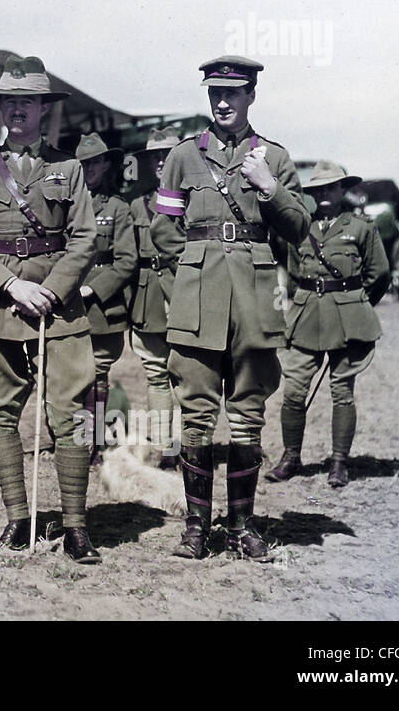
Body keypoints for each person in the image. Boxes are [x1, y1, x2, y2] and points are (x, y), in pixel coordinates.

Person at [151, 56, 310, 560]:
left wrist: (269, 187)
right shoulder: (183, 157)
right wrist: (192, 273)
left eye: (233, 93)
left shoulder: (274, 157)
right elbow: (163, 230)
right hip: (197, 299)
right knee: (196, 413)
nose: (222, 102)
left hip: (254, 300)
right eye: (215, 93)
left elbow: (299, 229)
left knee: (247, 414)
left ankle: (242, 527)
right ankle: (196, 529)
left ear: (251, 96)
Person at [0, 54, 101, 562]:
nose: (18, 110)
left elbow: (84, 238)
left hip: (59, 309)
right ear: (0, 109)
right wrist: (13, 286)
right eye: (10, 102)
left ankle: (76, 527)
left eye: (28, 102)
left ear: (44, 109)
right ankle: (18, 520)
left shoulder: (69, 168)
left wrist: (52, 291)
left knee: (70, 413)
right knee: (1, 412)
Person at [267, 161, 389, 487]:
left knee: (342, 392)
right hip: (307, 317)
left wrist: (357, 305)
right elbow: (295, 273)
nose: (325, 193)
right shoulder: (301, 227)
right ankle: (291, 457)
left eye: (331, 187)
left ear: (343, 190)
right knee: (293, 390)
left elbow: (379, 274)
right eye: (319, 188)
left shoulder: (361, 227)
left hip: (348, 319)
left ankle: (338, 463)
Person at [74, 133, 138, 465]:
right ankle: (72, 441)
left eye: (95, 163)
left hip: (102, 307)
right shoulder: (64, 206)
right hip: (66, 303)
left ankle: (93, 445)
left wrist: (92, 289)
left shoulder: (117, 208)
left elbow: (126, 261)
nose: (89, 169)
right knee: (68, 375)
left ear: (106, 165)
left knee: (97, 375)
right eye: (83, 164)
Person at [128, 126, 183, 464]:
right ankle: (165, 448)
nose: (161, 161)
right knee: (156, 373)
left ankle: (192, 448)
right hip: (149, 296)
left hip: (186, 291)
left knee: (191, 377)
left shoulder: (196, 199)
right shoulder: (138, 205)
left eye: (168, 154)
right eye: (155, 157)